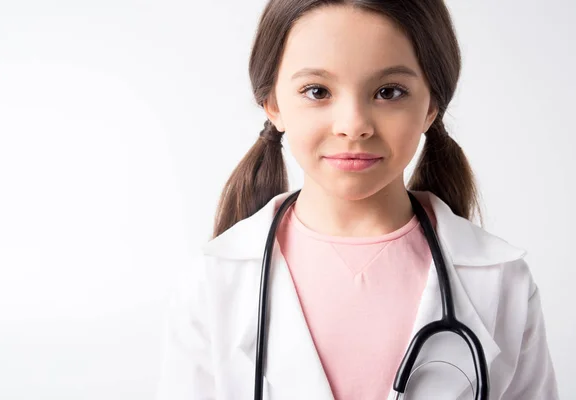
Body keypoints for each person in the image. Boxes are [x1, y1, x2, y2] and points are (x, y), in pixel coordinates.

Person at [156, 0, 559, 399]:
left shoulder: (501, 281)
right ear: (273, 104)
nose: (353, 126)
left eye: (388, 91)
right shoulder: (212, 285)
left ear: (431, 106)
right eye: (317, 91)